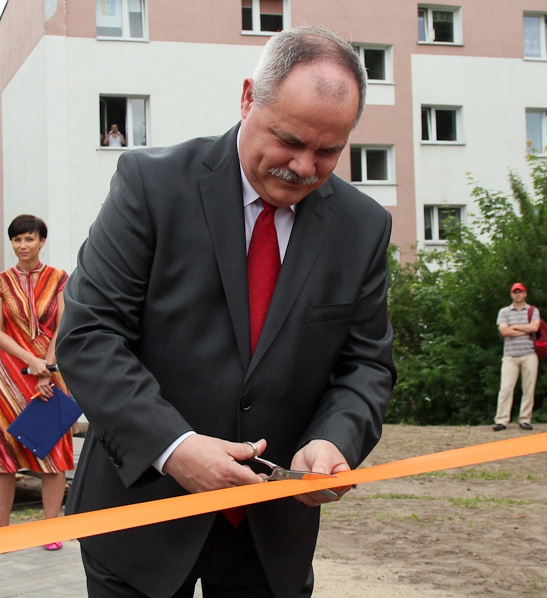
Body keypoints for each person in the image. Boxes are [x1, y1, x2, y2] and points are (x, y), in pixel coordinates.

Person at [55, 25, 395, 598]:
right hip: (140, 513)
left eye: (329, 151)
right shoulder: (150, 186)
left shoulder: (362, 227)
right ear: (246, 98)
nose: (304, 166)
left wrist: (334, 441)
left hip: (271, 535)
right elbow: (89, 335)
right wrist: (175, 448)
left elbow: (366, 366)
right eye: (288, 139)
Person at [0, 214, 72, 551]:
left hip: (48, 374)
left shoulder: (59, 278)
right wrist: (31, 361)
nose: (23, 246)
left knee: (52, 451)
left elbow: (62, 326)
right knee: (3, 454)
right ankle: (2, 532)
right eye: (17, 240)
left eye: (29, 239)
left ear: (41, 241)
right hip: (10, 375)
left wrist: (47, 366)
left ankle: (50, 530)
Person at [493, 282, 540, 431]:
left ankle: (525, 419)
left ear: (525, 293)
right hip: (510, 355)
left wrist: (514, 327)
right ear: (511, 294)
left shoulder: (533, 310)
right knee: (506, 388)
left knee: (528, 388)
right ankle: (501, 420)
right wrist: (525, 330)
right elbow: (504, 331)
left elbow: (535, 327)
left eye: (520, 292)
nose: (518, 295)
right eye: (515, 292)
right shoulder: (504, 311)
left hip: (529, 354)